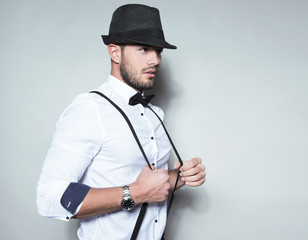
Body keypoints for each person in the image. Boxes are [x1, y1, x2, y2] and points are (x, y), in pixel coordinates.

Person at [36, 4, 206, 240]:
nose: (155, 60)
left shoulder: (155, 114)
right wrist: (134, 193)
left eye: (158, 51)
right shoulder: (90, 109)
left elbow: (150, 186)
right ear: (115, 53)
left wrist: (180, 176)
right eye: (144, 49)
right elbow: (49, 198)